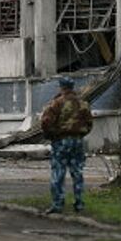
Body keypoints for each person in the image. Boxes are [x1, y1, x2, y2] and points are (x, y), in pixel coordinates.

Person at [40, 76, 93, 214]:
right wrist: (80, 134)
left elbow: (45, 121)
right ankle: (79, 203)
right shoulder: (83, 103)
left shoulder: (56, 103)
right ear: (72, 87)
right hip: (78, 141)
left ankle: (58, 204)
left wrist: (51, 135)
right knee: (77, 173)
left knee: (58, 172)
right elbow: (89, 123)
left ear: (61, 87)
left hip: (61, 141)